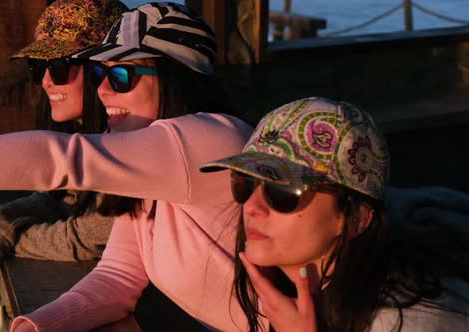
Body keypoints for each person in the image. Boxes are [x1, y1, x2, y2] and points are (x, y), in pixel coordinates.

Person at [0, 3, 253, 331]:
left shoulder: (208, 142)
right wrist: (35, 325)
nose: (103, 89)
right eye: (99, 73)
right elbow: (117, 276)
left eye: (121, 75)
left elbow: (55, 158)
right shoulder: (149, 175)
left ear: (176, 80)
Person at [200, 97, 469, 331]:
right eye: (246, 183)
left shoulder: (408, 323)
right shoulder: (293, 303)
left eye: (282, 191)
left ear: (356, 219)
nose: (251, 207)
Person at [0, 0, 128, 303]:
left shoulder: (133, 145)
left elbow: (88, 238)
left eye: (58, 67)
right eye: (39, 67)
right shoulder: (89, 137)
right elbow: (61, 200)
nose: (45, 81)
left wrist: (3, 241)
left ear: (105, 68)